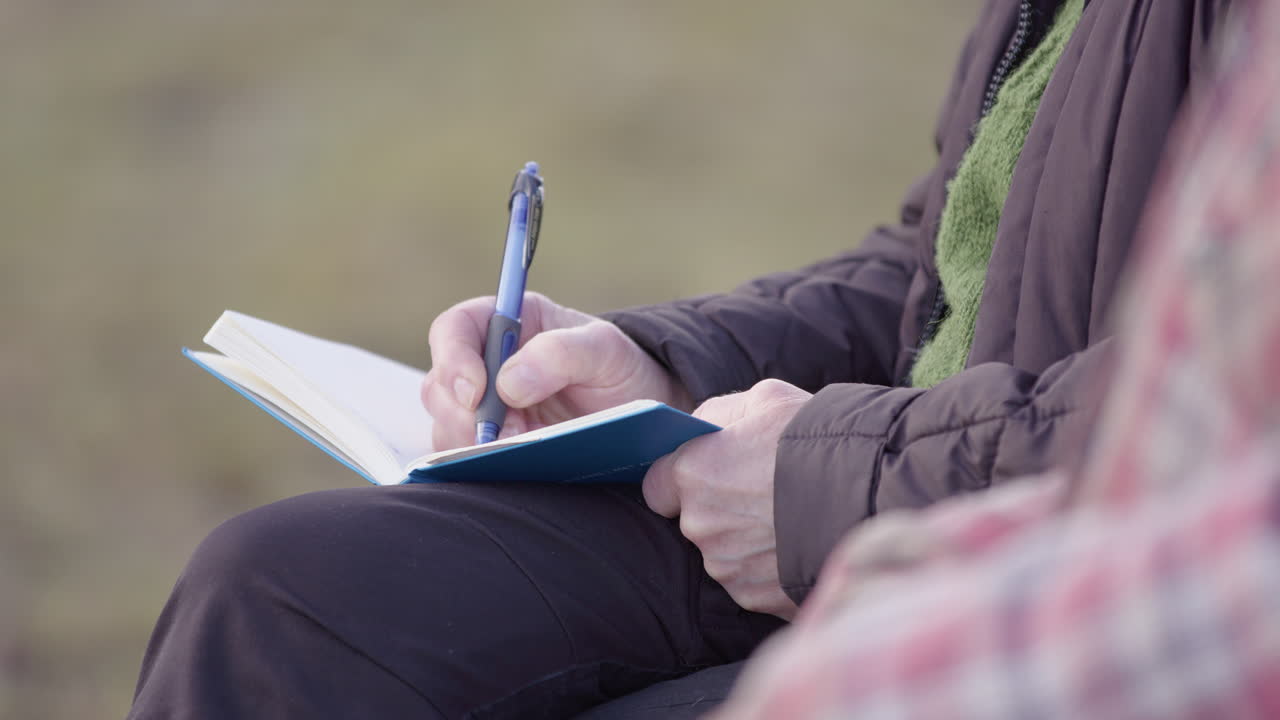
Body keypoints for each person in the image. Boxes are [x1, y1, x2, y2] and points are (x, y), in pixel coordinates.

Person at [127, 1, 1235, 717]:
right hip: (872, 483)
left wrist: (824, 485)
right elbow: (940, 273)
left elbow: (1228, 432)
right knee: (278, 595)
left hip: (1062, 567)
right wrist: (661, 364)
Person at [711, 0, 1280, 715]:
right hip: (921, 549)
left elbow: (1186, 426)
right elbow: (941, 270)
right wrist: (680, 359)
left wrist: (831, 489)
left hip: (1033, 600)